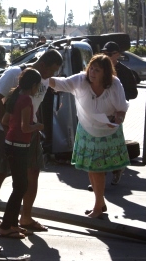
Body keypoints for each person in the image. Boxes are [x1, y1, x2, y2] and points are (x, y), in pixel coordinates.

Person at [0, 49, 63, 232]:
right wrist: (6, 127)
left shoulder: (42, 80)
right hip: (9, 134)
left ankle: (26, 217)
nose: (51, 76)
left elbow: (33, 107)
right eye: (51, 70)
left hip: (29, 134)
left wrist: (36, 127)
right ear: (43, 64)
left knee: (33, 172)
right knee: (1, 172)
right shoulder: (15, 73)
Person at [48, 54, 130, 218]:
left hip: (108, 132)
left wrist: (117, 119)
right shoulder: (80, 80)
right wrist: (41, 75)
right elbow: (59, 84)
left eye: (97, 70)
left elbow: (122, 109)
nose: (92, 72)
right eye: (91, 67)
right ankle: (100, 202)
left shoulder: (114, 84)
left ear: (105, 73)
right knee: (91, 169)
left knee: (97, 169)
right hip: (87, 130)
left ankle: (98, 208)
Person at [0, 69, 44, 239]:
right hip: (19, 147)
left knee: (19, 186)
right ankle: (5, 227)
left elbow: (4, 120)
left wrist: (16, 127)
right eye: (38, 87)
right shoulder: (26, 99)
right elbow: (26, 127)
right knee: (20, 187)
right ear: (33, 85)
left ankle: (12, 224)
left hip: (10, 144)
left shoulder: (15, 95)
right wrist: (37, 126)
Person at [101, 41, 138, 185]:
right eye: (104, 53)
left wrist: (119, 96)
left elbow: (133, 93)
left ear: (117, 55)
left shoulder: (124, 71)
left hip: (117, 111)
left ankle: (117, 170)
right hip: (100, 111)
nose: (106, 56)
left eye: (109, 54)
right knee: (101, 142)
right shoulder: (99, 69)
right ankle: (100, 176)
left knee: (113, 143)